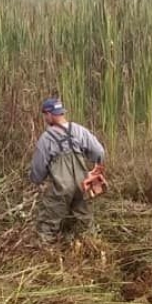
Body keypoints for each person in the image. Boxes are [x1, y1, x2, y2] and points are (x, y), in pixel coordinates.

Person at [29, 98, 106, 243]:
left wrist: (36, 180)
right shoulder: (79, 130)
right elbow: (99, 152)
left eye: (45, 115)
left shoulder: (46, 138)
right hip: (82, 185)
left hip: (61, 188)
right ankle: (91, 247)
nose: (45, 118)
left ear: (49, 114)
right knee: (85, 221)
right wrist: (97, 169)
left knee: (47, 223)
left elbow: (38, 169)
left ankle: (48, 252)